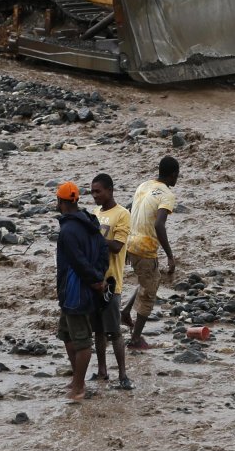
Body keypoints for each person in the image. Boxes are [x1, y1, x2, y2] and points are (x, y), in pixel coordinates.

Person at [54, 182, 109, 402]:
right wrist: (99, 276)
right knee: (66, 333)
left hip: (74, 292)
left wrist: (95, 279)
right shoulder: (90, 221)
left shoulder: (68, 230)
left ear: (60, 202)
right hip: (83, 288)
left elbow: (77, 261)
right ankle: (78, 379)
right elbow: (103, 249)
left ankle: (78, 387)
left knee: (82, 340)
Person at [122, 157, 179, 351]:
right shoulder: (167, 195)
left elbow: (130, 209)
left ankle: (126, 311)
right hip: (145, 248)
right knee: (149, 293)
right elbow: (159, 225)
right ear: (173, 175)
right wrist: (170, 256)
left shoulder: (144, 185)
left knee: (146, 282)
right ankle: (136, 338)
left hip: (130, 243)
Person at [89, 174, 133, 389]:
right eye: (92, 192)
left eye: (98, 191)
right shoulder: (94, 214)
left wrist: (94, 239)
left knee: (114, 331)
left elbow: (117, 246)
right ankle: (102, 370)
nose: (95, 196)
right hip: (94, 281)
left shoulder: (122, 214)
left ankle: (123, 374)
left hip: (112, 282)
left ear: (110, 190)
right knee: (97, 330)